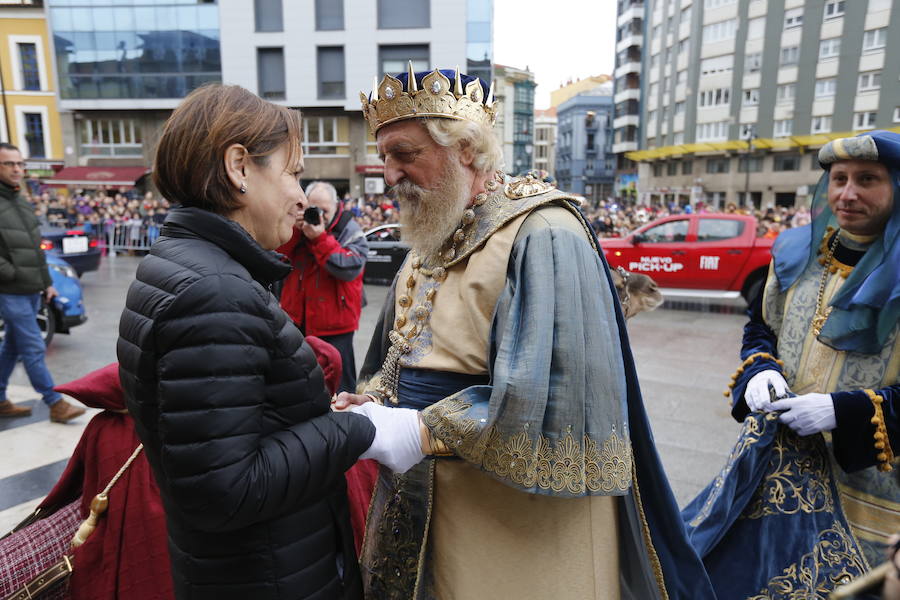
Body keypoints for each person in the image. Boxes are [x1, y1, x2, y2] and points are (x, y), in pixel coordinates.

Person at [334, 65, 715, 599]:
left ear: (465, 147)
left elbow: (557, 397)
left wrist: (417, 431)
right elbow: (399, 357)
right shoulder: (431, 234)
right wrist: (371, 399)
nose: (388, 174)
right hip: (421, 506)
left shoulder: (545, 233)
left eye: (404, 154)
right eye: (385, 157)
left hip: (514, 528)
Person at [116, 84, 380, 600]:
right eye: (292, 173)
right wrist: (354, 429)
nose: (301, 197)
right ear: (239, 167)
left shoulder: (188, 264)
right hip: (265, 574)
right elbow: (225, 489)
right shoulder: (216, 290)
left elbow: (226, 430)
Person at [704, 130, 900, 595]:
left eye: (867, 179)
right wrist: (760, 368)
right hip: (779, 477)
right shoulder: (796, 253)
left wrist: (845, 410)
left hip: (874, 499)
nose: (848, 193)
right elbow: (761, 328)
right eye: (839, 179)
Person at [0, 143, 85, 423]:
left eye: (19, 164)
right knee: (33, 345)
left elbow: (35, 248)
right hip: (9, 290)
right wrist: (11, 273)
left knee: (13, 346)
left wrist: (46, 281)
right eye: (9, 164)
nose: (16, 169)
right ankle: (54, 402)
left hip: (31, 288)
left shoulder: (20, 200)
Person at [277, 181, 368, 393]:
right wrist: (296, 232)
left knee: (339, 386)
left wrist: (319, 239)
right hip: (297, 320)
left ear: (337, 207)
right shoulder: (295, 228)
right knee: (297, 380)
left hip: (335, 326)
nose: (319, 215)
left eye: (325, 210)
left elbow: (349, 268)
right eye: (313, 209)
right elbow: (277, 259)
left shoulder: (349, 230)